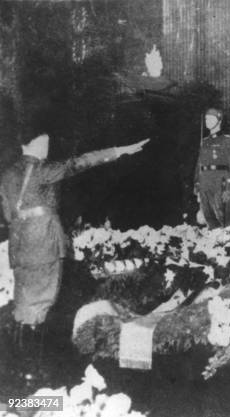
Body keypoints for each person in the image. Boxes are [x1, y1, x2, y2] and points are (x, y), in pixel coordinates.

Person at [0, 118, 149, 342]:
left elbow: (8, 213)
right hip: (43, 242)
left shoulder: (8, 173)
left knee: (23, 301)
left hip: (19, 245)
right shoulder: (42, 170)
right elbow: (79, 163)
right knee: (43, 301)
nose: (46, 150)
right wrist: (118, 150)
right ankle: (36, 362)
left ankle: (21, 360)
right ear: (27, 145)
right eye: (43, 144)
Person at [194, 108, 230, 228]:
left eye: (211, 118)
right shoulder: (204, 141)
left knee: (225, 220)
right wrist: (197, 184)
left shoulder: (227, 140)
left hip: (220, 184)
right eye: (206, 118)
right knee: (209, 219)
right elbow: (199, 165)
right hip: (205, 184)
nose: (207, 120)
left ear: (219, 120)